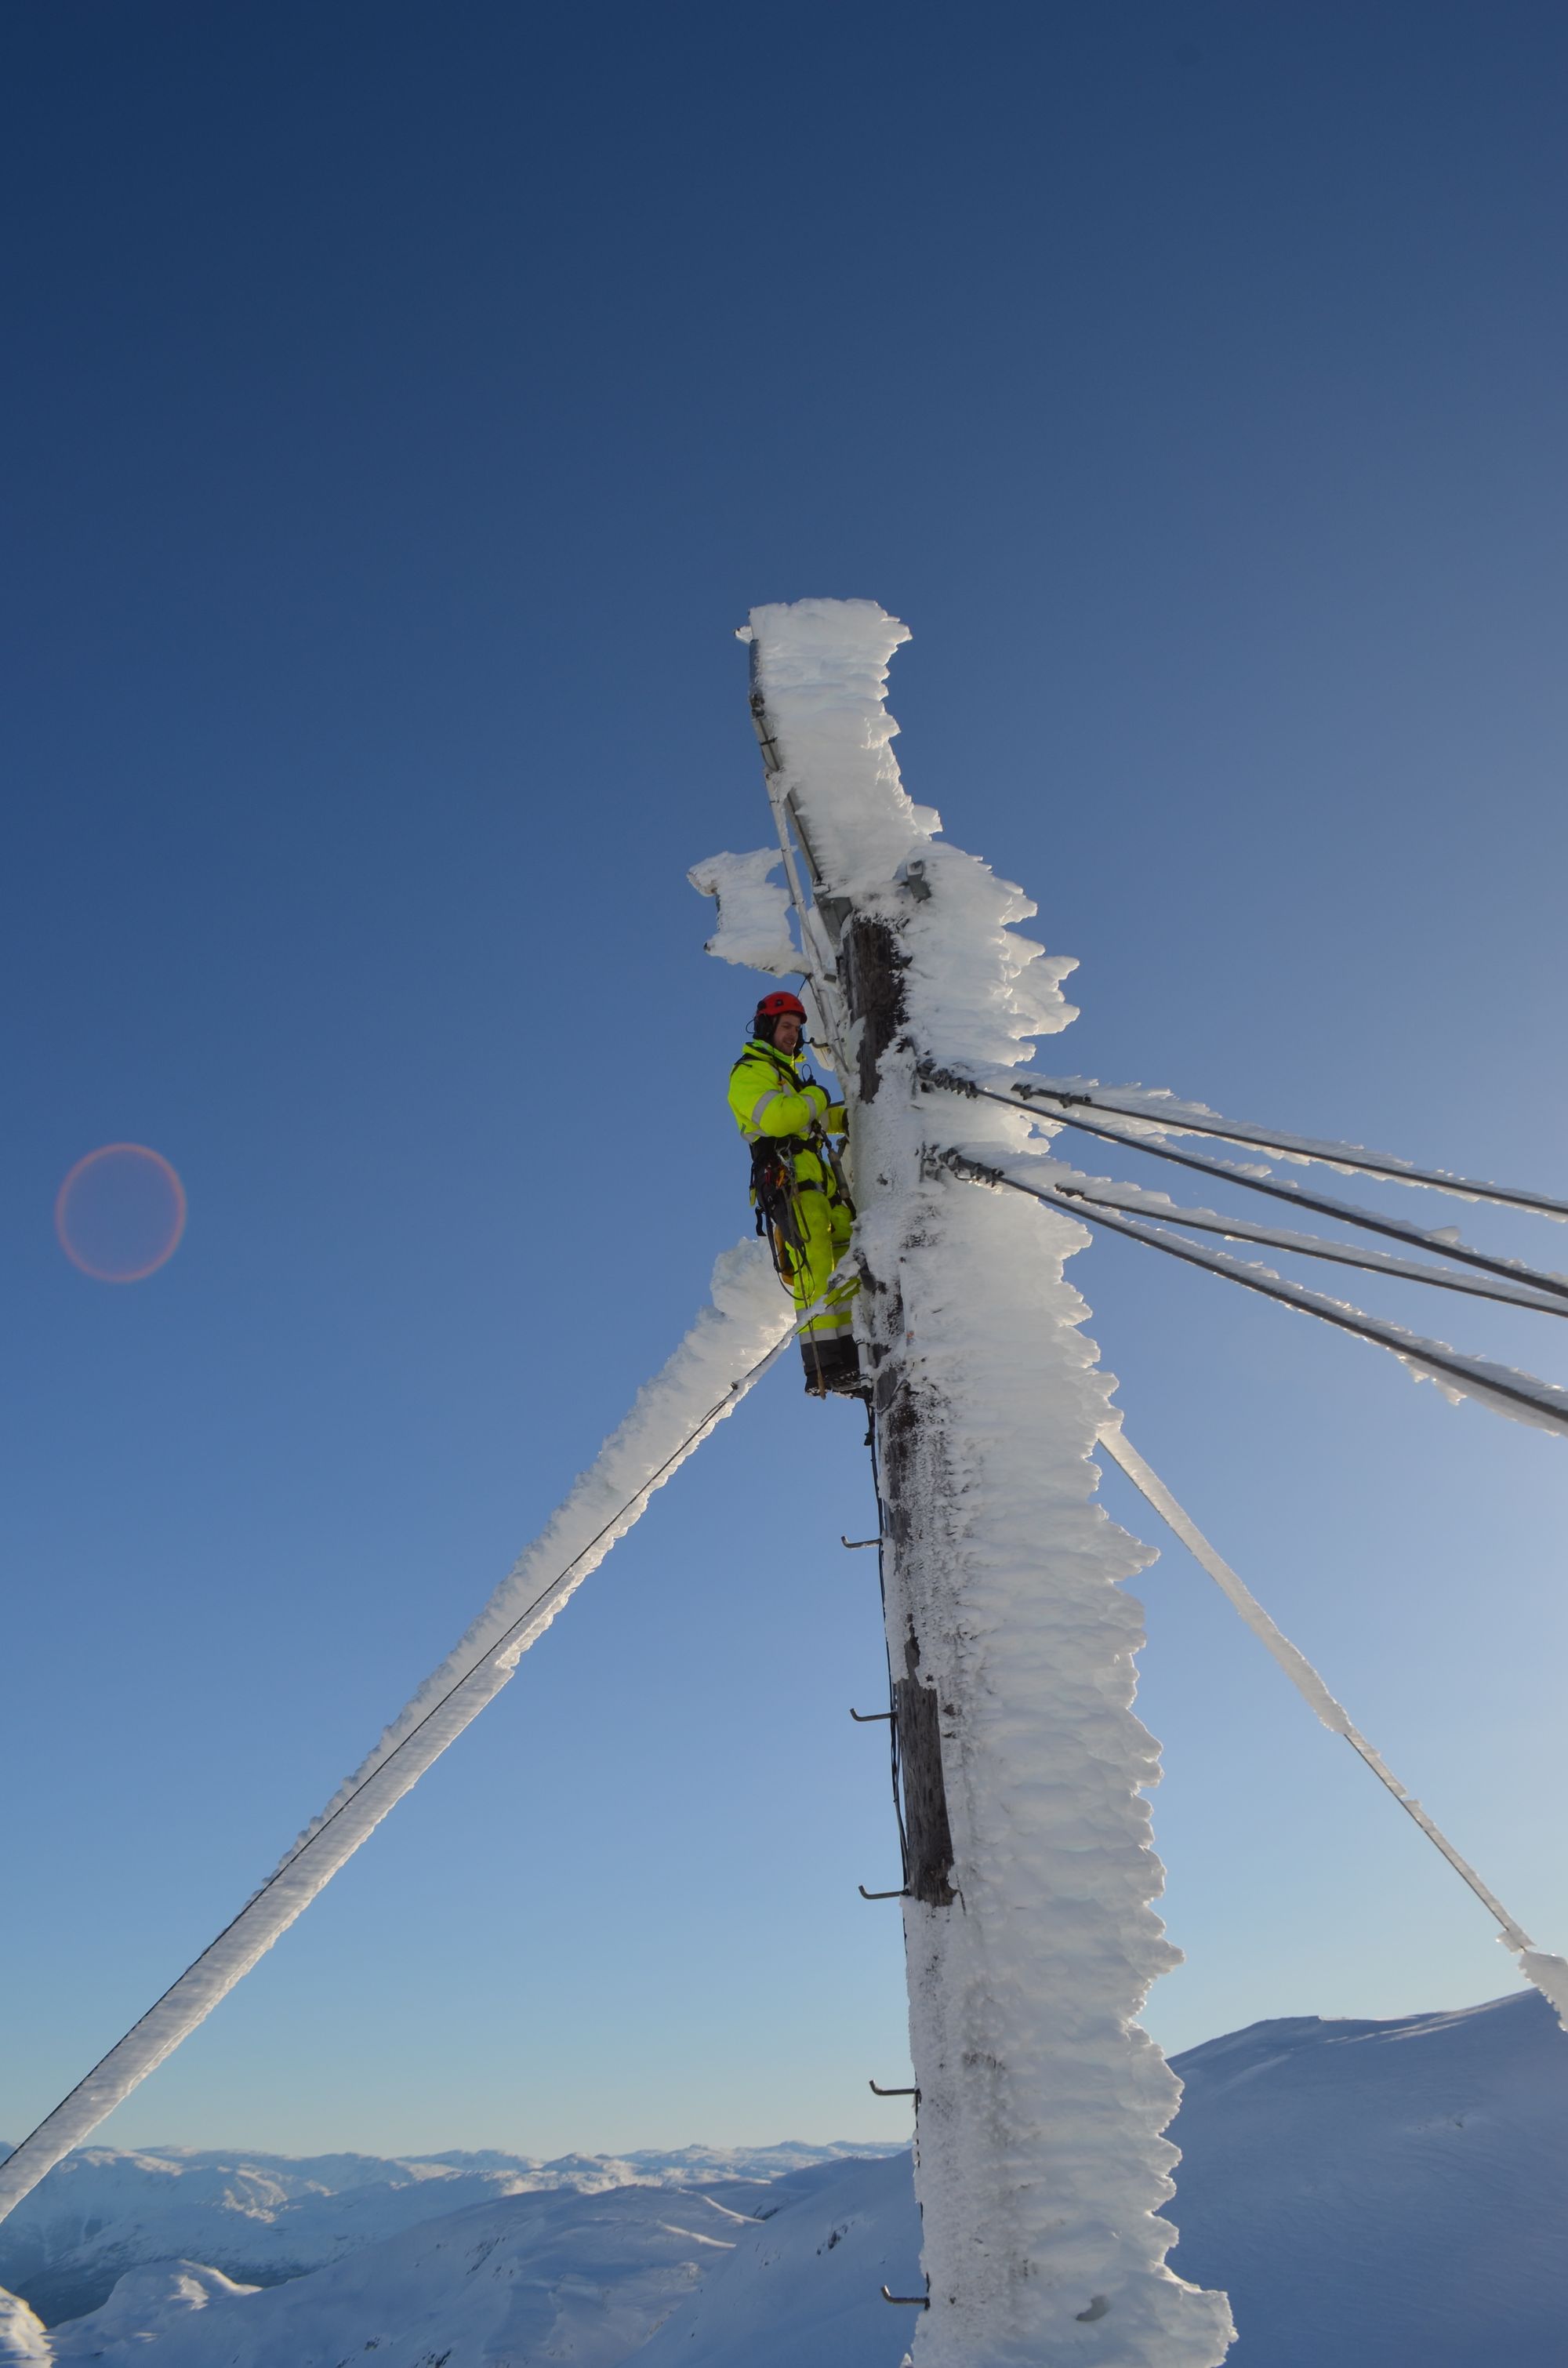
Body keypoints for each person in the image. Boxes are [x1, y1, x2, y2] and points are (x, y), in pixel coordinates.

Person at [728, 991, 863, 1396]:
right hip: (788, 1182)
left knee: (847, 1259)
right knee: (815, 1265)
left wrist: (862, 1111)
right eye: (786, 1026)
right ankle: (824, 1365)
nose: (793, 1035)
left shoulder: (789, 1077)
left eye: (797, 1029)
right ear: (768, 1027)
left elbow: (820, 1117)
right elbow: (781, 1118)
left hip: (817, 1183)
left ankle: (858, 1351)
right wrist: (818, 1096)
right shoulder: (750, 1072)